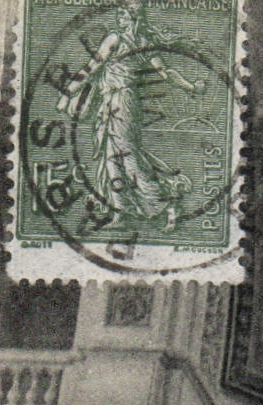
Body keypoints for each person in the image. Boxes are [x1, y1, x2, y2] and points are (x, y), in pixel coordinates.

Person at [55, 1, 199, 232]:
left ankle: (166, 205)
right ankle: (120, 212)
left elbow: (165, 74)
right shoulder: (132, 41)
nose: (119, 21)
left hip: (123, 102)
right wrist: (68, 94)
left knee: (127, 156)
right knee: (110, 156)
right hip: (110, 101)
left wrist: (191, 87)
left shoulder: (134, 42)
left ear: (135, 18)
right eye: (119, 17)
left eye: (124, 17)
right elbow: (92, 67)